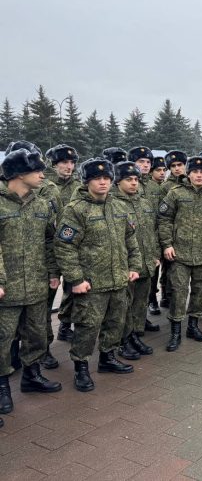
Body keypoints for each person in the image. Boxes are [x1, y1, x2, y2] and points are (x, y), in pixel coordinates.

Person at [54, 158, 142, 391]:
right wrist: (75, 279)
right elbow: (64, 247)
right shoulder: (76, 209)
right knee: (87, 326)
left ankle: (107, 357)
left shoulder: (119, 206)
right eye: (97, 178)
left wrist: (134, 266)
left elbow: (130, 240)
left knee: (115, 321)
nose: (103, 182)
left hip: (118, 279)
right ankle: (81, 367)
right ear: (87, 181)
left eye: (106, 178)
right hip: (91, 283)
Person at [0, 149, 62, 417]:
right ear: (18, 174)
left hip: (37, 284)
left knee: (37, 334)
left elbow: (50, 240)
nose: (42, 175)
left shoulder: (41, 204)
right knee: (2, 339)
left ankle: (32, 376)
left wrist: (53, 272)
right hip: (7, 288)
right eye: (37, 170)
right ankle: (2, 386)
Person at [158, 156, 202, 351]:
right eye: (195, 172)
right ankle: (175, 332)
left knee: (200, 293)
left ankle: (193, 326)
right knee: (179, 293)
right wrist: (167, 245)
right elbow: (164, 220)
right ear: (188, 174)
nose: (199, 175)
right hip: (179, 254)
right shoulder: (175, 194)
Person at [110, 162, 160, 360]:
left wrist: (155, 254)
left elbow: (153, 230)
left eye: (136, 180)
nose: (133, 184)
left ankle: (136, 334)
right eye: (128, 180)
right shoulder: (113, 203)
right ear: (118, 181)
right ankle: (123, 340)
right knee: (124, 305)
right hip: (126, 265)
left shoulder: (144, 202)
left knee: (140, 303)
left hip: (146, 262)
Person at [43, 144, 81, 366]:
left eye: (71, 163)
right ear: (54, 165)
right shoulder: (46, 187)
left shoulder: (79, 185)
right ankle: (43, 345)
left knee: (73, 290)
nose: (68, 167)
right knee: (46, 298)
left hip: (73, 248)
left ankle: (65, 325)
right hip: (49, 248)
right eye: (63, 163)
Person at [158, 150, 188, 312]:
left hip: (188, 234)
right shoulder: (165, 187)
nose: (177, 168)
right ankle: (166, 294)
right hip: (173, 234)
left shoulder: (190, 183)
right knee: (169, 268)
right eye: (173, 166)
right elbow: (163, 214)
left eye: (180, 165)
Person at [147, 155, 167, 317]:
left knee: (163, 268)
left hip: (163, 233)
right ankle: (151, 299)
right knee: (152, 271)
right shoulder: (147, 187)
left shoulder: (165, 187)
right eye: (158, 170)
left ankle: (163, 296)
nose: (161, 173)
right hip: (150, 235)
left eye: (163, 170)